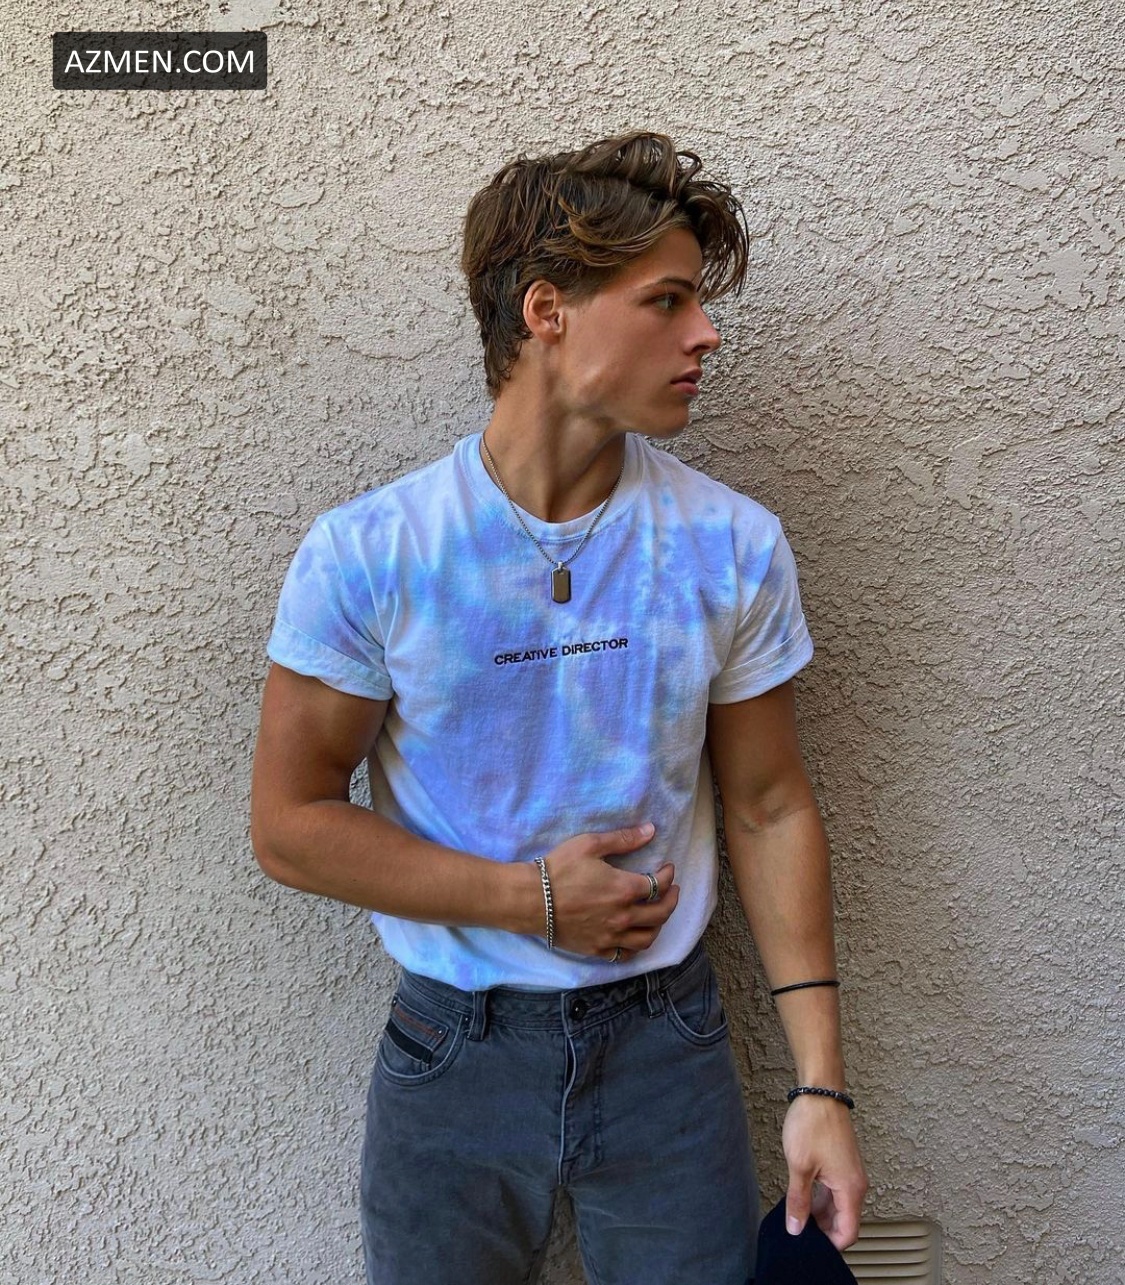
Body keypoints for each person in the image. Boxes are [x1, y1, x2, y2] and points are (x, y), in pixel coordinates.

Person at [250, 130, 867, 1285]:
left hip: (667, 1052)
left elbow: (771, 804)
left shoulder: (730, 545)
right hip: (453, 1052)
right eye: (667, 301)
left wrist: (821, 1086)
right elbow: (289, 824)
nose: (706, 333)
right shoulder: (375, 553)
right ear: (548, 311)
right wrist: (528, 899)